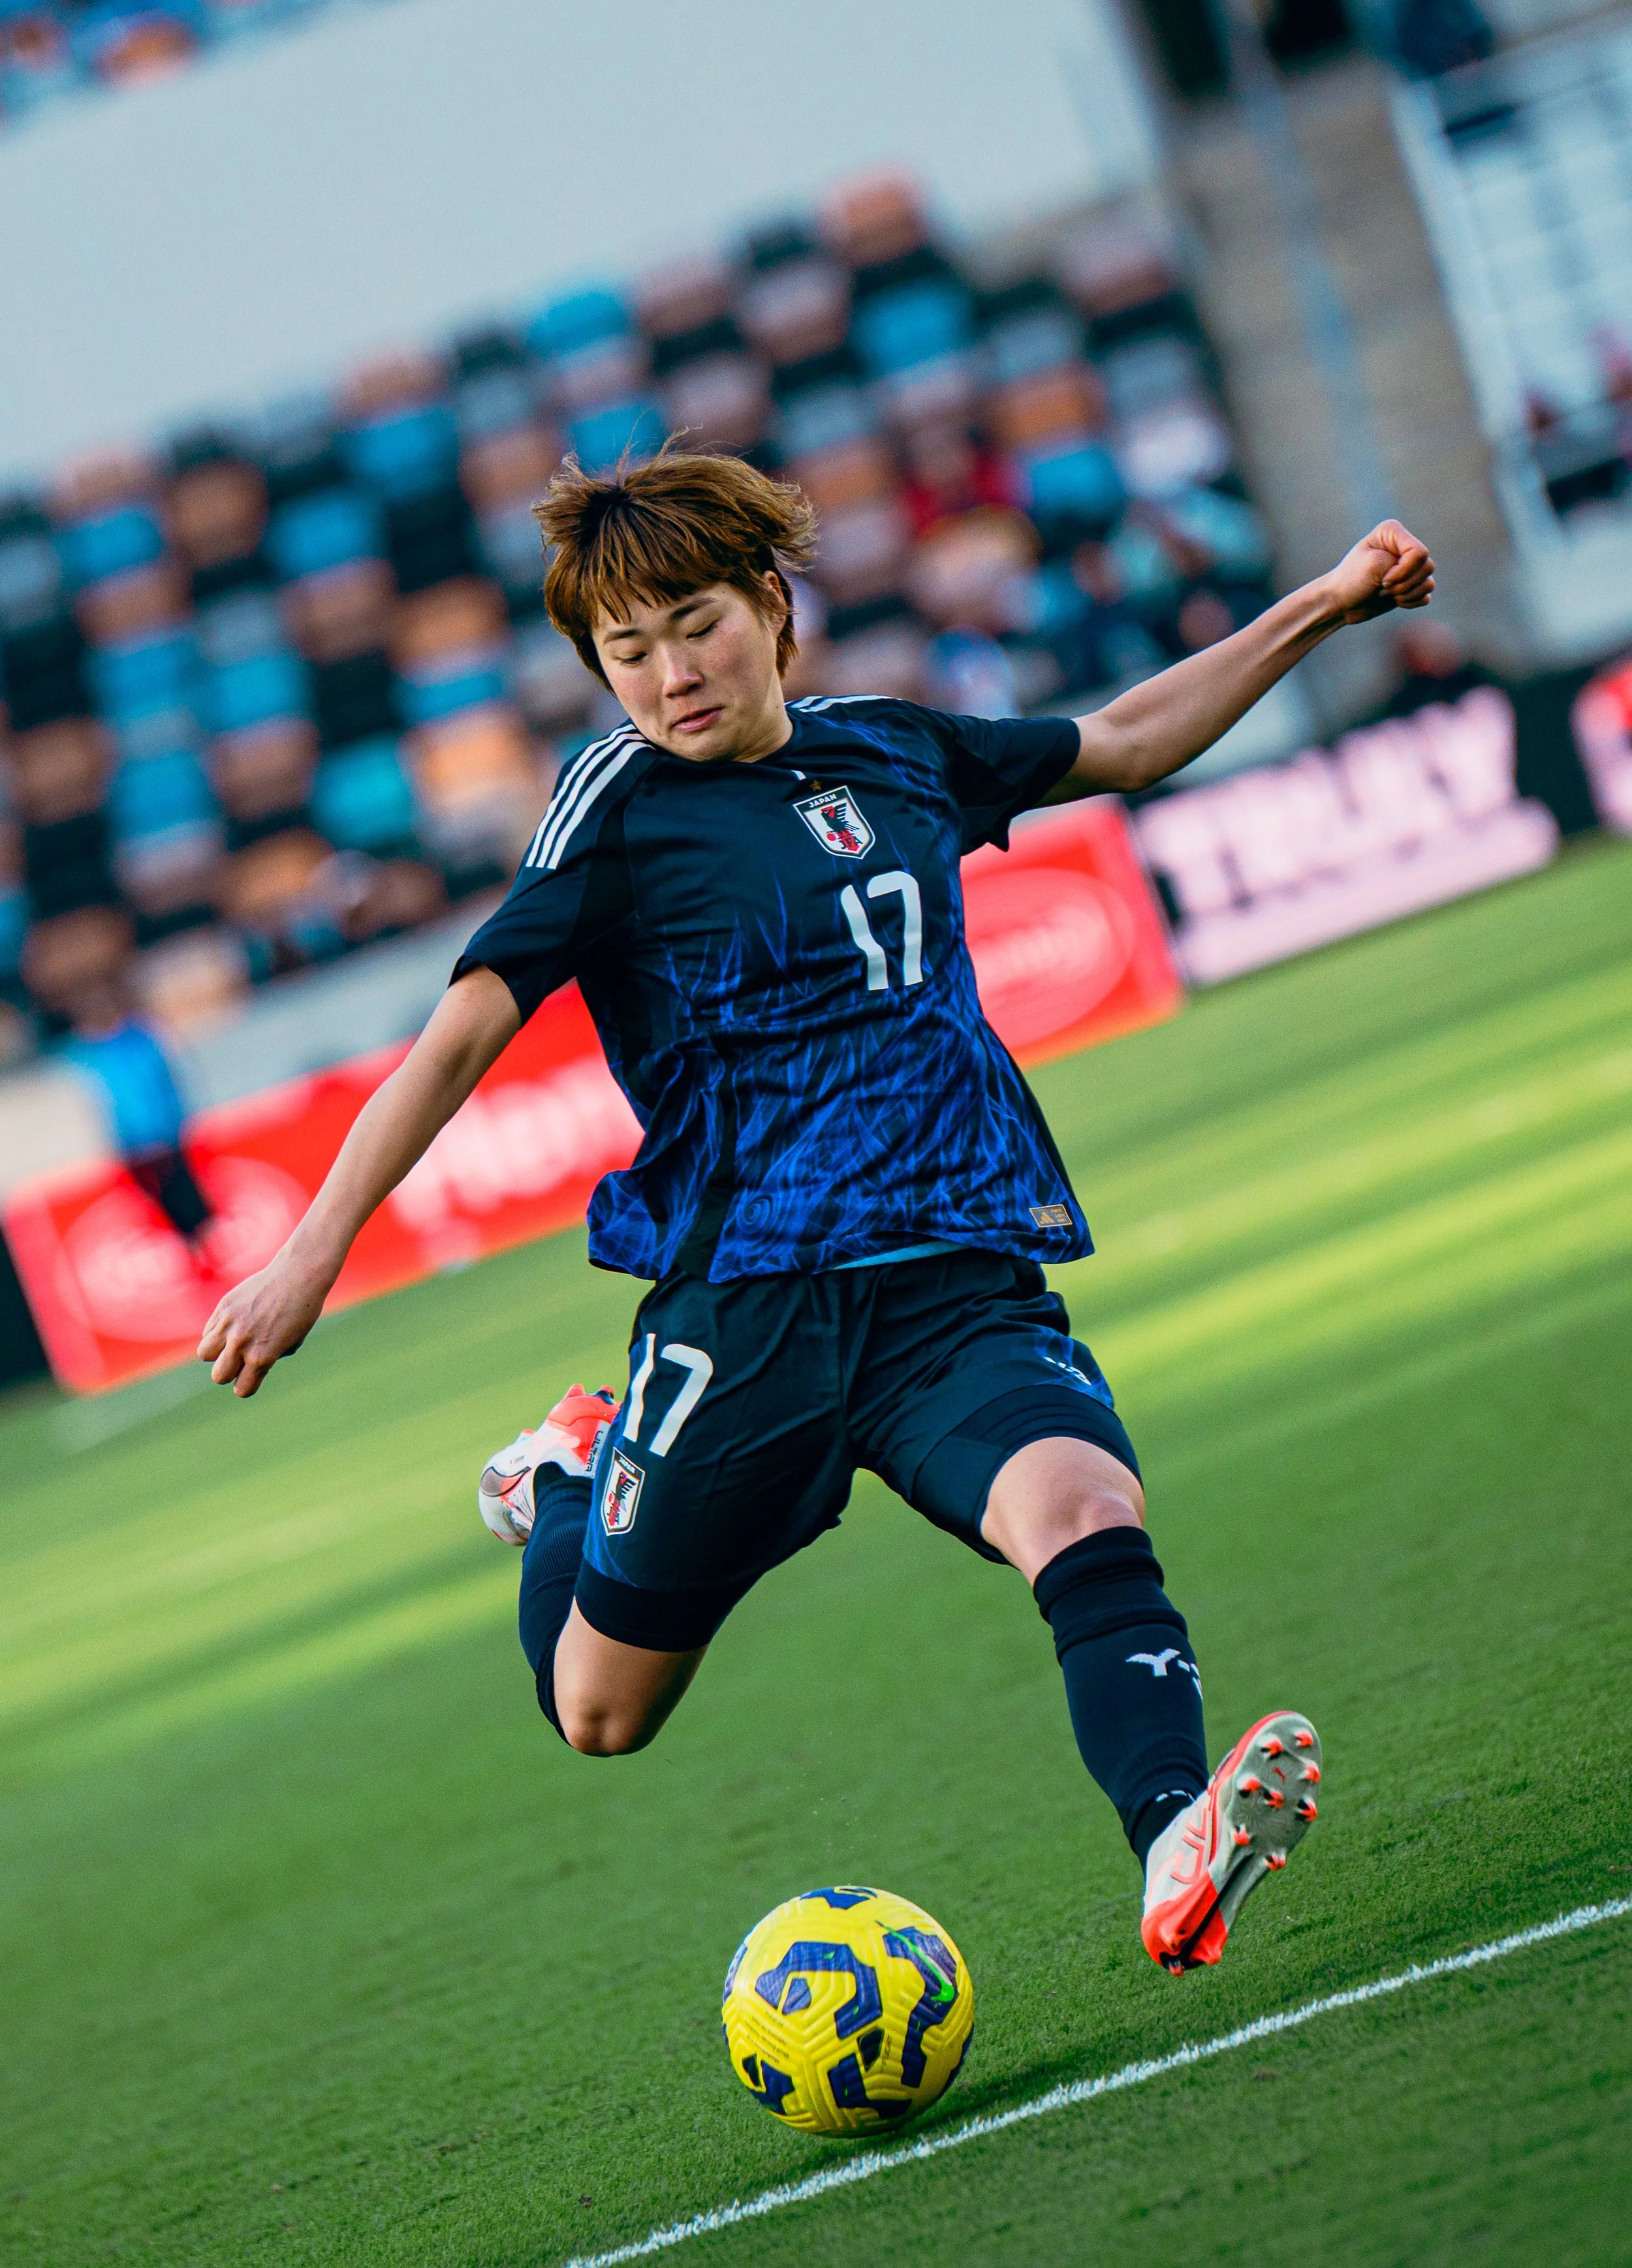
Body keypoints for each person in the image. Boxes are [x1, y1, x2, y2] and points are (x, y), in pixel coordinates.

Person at [200, 450, 1433, 1977]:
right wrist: (307, 1252)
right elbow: (459, 1033)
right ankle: (574, 1467)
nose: (666, 675)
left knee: (1085, 1514)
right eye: (623, 650)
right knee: (599, 1712)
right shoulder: (619, 806)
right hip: (748, 1315)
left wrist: (1322, 603)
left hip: (953, 1285)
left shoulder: (901, 752)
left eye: (693, 623)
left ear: (772, 606)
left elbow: (1118, 740)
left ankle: (1175, 1836)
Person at [66, 978, 213, 1247]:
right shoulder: (85, 1053)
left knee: (191, 1202)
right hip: (134, 1149)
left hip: (166, 1139)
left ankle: (204, 1248)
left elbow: (169, 1081)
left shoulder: (140, 1037)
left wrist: (177, 1123)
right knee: (161, 1211)